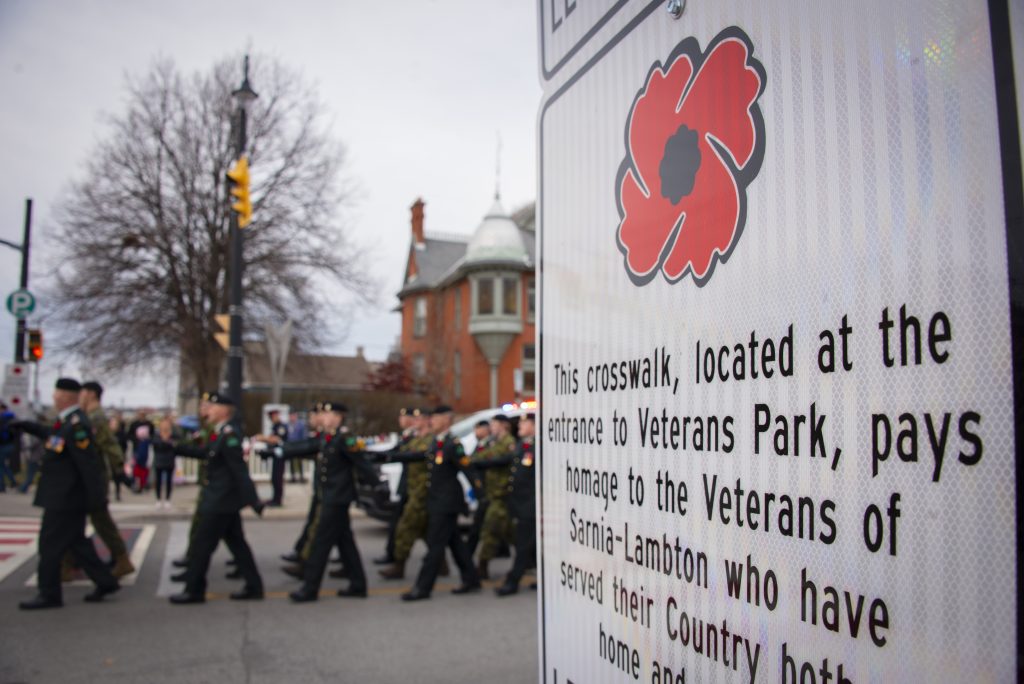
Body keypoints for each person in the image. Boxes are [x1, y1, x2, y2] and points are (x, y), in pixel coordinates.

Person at [16, 378, 120, 609]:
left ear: (66, 396)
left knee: (49, 545)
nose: (53, 398)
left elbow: (88, 464)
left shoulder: (77, 425)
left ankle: (49, 594)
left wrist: (95, 497)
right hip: (63, 496)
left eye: (56, 394)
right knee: (77, 543)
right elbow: (55, 439)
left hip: (65, 498)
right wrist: (26, 425)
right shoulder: (67, 422)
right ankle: (105, 581)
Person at [263, 402, 376, 602]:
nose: (321, 417)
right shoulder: (328, 437)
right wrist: (277, 450)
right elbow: (306, 447)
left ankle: (310, 587)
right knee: (345, 543)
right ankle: (358, 584)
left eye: (326, 413)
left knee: (320, 543)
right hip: (330, 496)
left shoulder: (345, 438)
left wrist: (376, 484)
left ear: (338, 417)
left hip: (337, 497)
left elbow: (362, 462)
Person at [169, 392, 264, 604]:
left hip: (221, 500)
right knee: (238, 545)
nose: (206, 411)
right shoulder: (219, 432)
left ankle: (194, 590)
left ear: (223, 410)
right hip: (222, 500)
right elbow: (207, 453)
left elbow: (238, 470)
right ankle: (254, 585)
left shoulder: (229, 434)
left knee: (203, 545)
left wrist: (253, 500)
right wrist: (175, 447)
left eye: (210, 407)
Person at [386, 405, 480, 602]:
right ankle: (471, 579)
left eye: (435, 419)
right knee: (455, 543)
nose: (431, 422)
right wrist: (388, 456)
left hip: (446, 502)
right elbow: (417, 457)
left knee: (435, 547)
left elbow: (468, 469)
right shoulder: (436, 443)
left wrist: (481, 493)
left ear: (446, 420)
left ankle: (423, 587)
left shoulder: (452, 444)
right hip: (436, 499)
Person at [71, 381, 135, 579]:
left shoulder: (95, 418)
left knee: (100, 520)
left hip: (94, 477)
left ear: (91, 394)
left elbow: (109, 445)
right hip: (89, 477)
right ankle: (74, 560)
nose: (79, 396)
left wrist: (120, 472)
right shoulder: (90, 416)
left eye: (82, 392)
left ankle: (121, 559)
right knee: (86, 520)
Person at [477, 412, 538, 596]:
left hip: (531, 503)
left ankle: (513, 581)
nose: (519, 425)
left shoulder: (539, 446)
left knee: (523, 544)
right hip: (518, 502)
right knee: (528, 544)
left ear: (534, 425)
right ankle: (543, 577)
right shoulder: (522, 445)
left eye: (524, 422)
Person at [471, 414, 517, 580]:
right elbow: (481, 457)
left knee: (490, 530)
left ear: (504, 425)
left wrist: (484, 462)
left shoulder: (509, 443)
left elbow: (501, 460)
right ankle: (528, 561)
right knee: (512, 534)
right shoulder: (494, 442)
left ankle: (482, 566)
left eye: (494, 424)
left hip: (502, 496)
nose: (492, 428)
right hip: (494, 494)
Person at [374, 407, 417, 566]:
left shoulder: (416, 437)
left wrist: (384, 456)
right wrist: (376, 455)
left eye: (405, 417)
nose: (401, 420)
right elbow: (395, 451)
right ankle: (392, 554)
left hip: (414, 487)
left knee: (406, 524)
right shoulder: (405, 436)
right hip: (407, 486)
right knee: (404, 522)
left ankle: (394, 557)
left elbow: (402, 454)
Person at [463, 419, 494, 558]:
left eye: (478, 429)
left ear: (486, 429)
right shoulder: (480, 444)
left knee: (481, 523)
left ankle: (469, 552)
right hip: (481, 488)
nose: (476, 432)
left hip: (488, 489)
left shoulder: (491, 444)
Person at [261, 409, 289, 507]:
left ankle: (277, 500)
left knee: (277, 478)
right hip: (275, 454)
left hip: (280, 455)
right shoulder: (275, 426)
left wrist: (262, 438)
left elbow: (277, 439)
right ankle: (275, 498)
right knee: (274, 478)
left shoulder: (281, 426)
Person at [151, 418, 177, 509]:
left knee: (169, 481)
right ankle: (158, 499)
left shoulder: (173, 434)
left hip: (169, 460)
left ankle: (167, 499)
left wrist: (167, 440)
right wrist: (164, 441)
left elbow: (176, 445)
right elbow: (155, 444)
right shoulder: (157, 434)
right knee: (158, 480)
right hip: (159, 460)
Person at [128, 410, 154, 491]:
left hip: (146, 448)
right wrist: (136, 439)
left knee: (145, 467)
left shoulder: (149, 424)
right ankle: (134, 482)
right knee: (135, 466)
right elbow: (129, 435)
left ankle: (144, 483)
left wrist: (147, 439)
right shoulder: (134, 424)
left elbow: (152, 435)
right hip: (136, 448)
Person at [17, 418, 44, 493]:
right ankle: (22, 488)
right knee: (31, 475)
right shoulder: (36, 437)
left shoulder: (28, 437)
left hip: (32, 458)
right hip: (35, 459)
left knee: (30, 475)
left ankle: (22, 488)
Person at [109, 413, 129, 500]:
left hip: (118, 458)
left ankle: (118, 493)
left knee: (118, 476)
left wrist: (123, 456)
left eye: (114, 424)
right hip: (109, 458)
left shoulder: (121, 433)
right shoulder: (108, 434)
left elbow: (125, 445)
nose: (113, 425)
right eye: (111, 424)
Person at [0, 402, 20, 492]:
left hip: (3, 445)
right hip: (12, 445)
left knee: (1, 466)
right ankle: (12, 481)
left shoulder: (2, 418)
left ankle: (2, 486)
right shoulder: (12, 418)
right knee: (4, 466)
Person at [287, 412, 307, 483]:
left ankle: (301, 476)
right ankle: (293, 477)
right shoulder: (288, 425)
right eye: (291, 416)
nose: (292, 417)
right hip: (290, 446)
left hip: (298, 445)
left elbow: (303, 435)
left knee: (299, 461)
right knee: (291, 462)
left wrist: (303, 445)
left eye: (293, 416)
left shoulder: (300, 425)